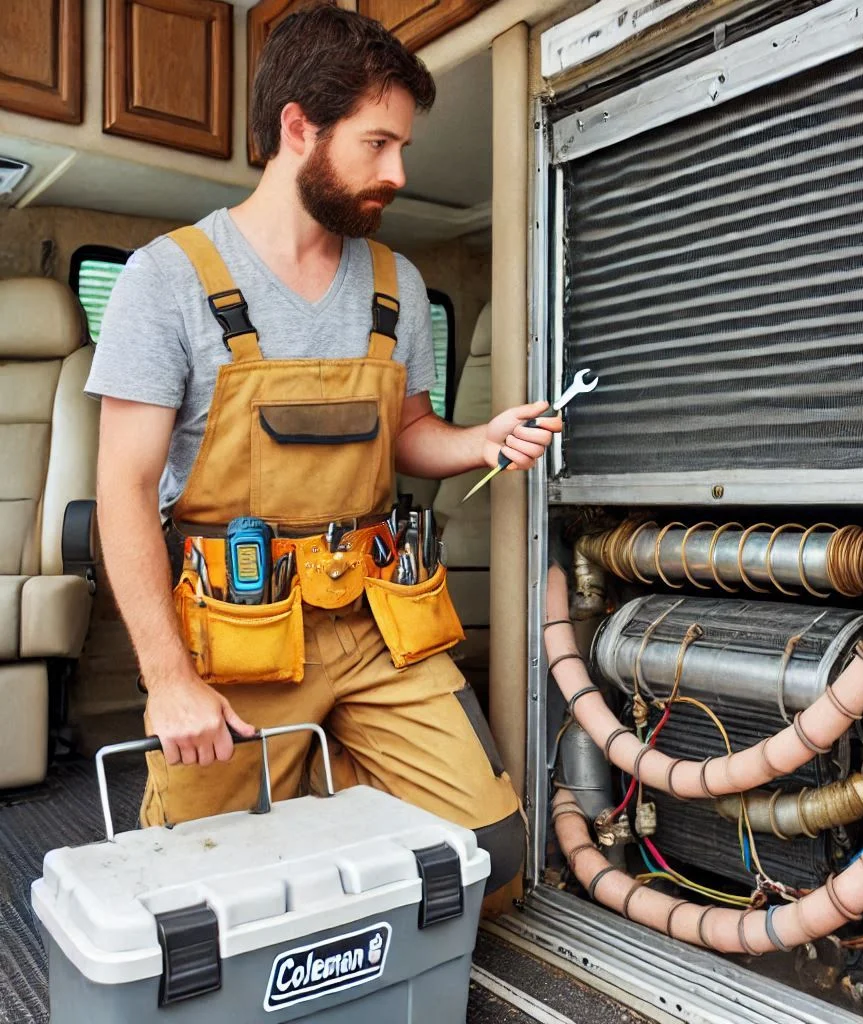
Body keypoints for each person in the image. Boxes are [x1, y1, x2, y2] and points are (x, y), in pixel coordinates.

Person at [85, 3, 559, 897]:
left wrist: (480, 442)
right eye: (378, 144)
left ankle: (332, 782)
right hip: (239, 638)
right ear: (298, 128)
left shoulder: (398, 285)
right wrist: (167, 682)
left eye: (403, 147)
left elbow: (409, 434)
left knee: (491, 860)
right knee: (201, 891)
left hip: (377, 625)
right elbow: (123, 486)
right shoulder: (169, 279)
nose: (400, 170)